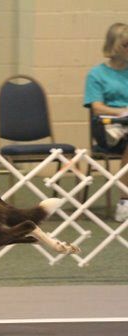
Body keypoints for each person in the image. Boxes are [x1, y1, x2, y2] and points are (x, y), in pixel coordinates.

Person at [84, 22, 128, 222]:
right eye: (126, 45)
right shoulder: (97, 74)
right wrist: (122, 110)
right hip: (107, 126)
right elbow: (97, 106)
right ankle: (125, 200)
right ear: (113, 46)